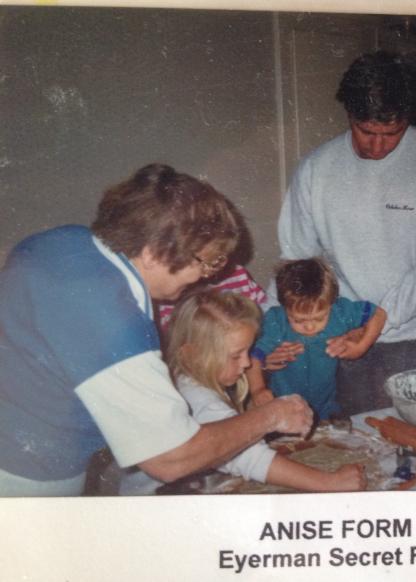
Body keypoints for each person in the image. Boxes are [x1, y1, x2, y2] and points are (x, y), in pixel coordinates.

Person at [0, 164, 314, 496]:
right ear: (152, 253)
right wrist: (270, 416)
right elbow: (171, 459)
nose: (205, 276)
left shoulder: (61, 240)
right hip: (24, 479)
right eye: (203, 263)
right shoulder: (118, 325)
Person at [273, 50, 416, 414]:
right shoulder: (317, 168)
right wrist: (274, 332)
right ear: (349, 114)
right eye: (366, 132)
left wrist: (383, 317)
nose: (378, 146)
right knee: (355, 447)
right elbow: (296, 258)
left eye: (392, 133)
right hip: (340, 335)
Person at [131, 291, 363, 493]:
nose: (246, 363)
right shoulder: (196, 398)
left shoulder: (190, 379)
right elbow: (249, 458)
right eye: (235, 356)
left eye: (248, 351)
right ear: (191, 353)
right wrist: (329, 482)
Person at [249, 258, 386, 419]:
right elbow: (254, 355)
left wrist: (361, 347)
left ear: (331, 303)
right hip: (285, 407)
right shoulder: (276, 321)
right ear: (284, 307)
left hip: (327, 406)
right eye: (299, 320)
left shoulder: (339, 313)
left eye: (319, 318)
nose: (309, 327)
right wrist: (257, 390)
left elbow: (378, 314)